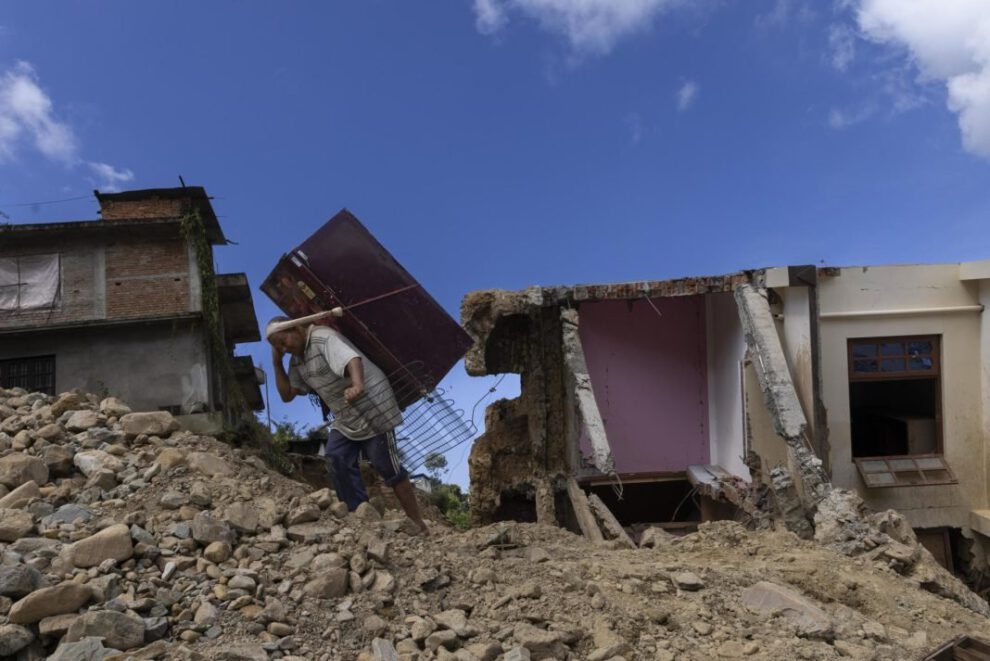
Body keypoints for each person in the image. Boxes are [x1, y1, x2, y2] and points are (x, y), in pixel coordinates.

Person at [267, 315, 428, 534]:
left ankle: (417, 522)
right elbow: (287, 395)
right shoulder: (297, 361)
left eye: (283, 341)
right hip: (346, 416)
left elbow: (353, 359)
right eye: (278, 347)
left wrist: (357, 384)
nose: (283, 349)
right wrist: (276, 363)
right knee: (335, 455)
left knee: (385, 464)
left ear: (295, 328)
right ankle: (360, 515)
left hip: (373, 405)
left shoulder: (323, 338)